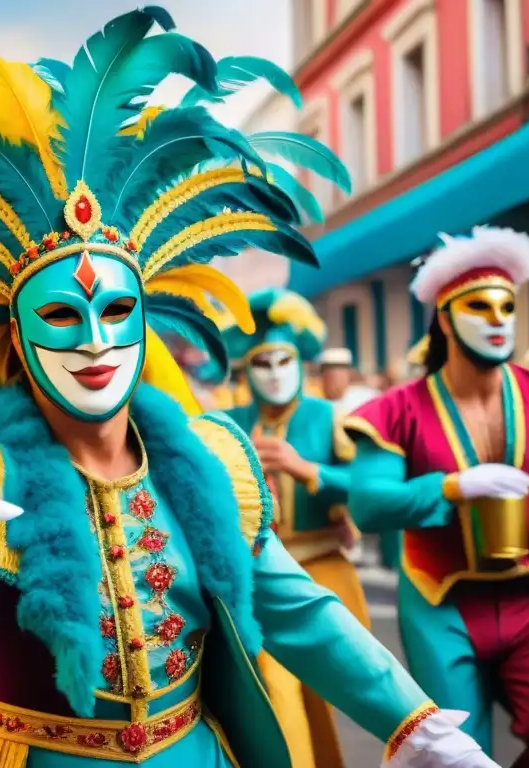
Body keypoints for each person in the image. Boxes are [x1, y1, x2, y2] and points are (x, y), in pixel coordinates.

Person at [0, 9, 498, 767]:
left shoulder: (209, 458)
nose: (94, 337)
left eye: (117, 309)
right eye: (61, 313)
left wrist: (415, 726)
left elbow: (301, 613)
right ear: (20, 339)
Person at [344, 226, 529, 766]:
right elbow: (368, 505)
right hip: (441, 604)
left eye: (507, 306)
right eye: (479, 306)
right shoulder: (398, 409)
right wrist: (450, 487)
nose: (497, 319)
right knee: (460, 757)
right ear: (444, 317)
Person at [222, 288, 368, 768]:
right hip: (259, 576)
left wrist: (310, 471)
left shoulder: (328, 416)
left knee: (326, 696)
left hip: (323, 566)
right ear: (247, 369)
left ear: (302, 364)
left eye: (285, 360)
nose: (276, 373)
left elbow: (374, 488)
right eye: (263, 362)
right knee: (277, 696)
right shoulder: (229, 422)